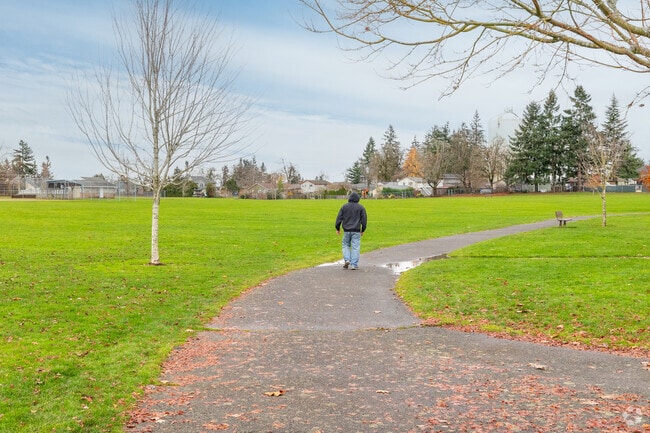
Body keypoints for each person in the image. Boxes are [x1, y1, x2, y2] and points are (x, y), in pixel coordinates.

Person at [335, 191, 367, 270]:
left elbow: (339, 218)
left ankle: (347, 259)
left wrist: (337, 228)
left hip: (346, 230)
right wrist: (363, 229)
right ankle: (354, 264)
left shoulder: (344, 207)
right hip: (356, 230)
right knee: (355, 247)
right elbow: (364, 220)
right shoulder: (361, 207)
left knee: (345, 245)